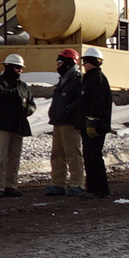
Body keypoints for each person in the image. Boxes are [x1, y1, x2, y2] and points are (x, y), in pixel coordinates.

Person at [0, 54, 33, 195]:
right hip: (2, 125)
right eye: (18, 68)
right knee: (0, 157)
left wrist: (28, 110)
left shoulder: (23, 86)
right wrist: (16, 95)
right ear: (10, 67)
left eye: (21, 68)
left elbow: (31, 103)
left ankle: (10, 185)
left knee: (14, 157)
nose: (20, 71)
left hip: (17, 125)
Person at [45, 49, 86, 196]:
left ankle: (77, 184)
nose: (57, 65)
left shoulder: (78, 80)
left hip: (70, 123)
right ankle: (58, 183)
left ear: (69, 63)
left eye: (60, 61)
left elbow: (81, 101)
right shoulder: (63, 80)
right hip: (59, 121)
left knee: (72, 154)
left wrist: (68, 110)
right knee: (57, 155)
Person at [78, 48, 114, 198]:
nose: (83, 64)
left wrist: (92, 123)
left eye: (85, 61)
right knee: (89, 157)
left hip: (95, 126)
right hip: (90, 125)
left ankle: (99, 190)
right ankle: (92, 188)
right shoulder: (90, 78)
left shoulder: (96, 79)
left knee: (93, 157)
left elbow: (98, 102)